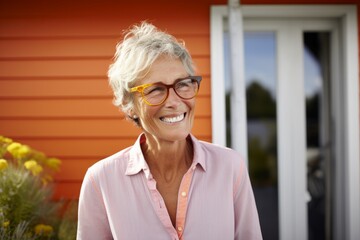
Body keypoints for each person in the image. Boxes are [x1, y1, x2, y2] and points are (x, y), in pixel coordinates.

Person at [77, 22, 262, 240]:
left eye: (183, 84)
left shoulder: (231, 168)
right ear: (129, 104)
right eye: (155, 89)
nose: (174, 102)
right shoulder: (101, 181)